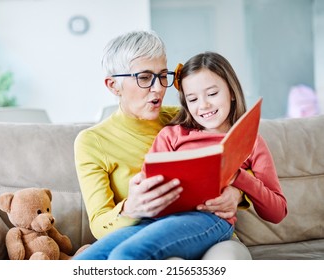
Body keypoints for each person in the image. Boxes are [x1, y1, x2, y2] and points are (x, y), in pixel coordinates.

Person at [73, 30, 252, 260]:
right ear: (113, 86)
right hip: (144, 233)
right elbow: (99, 224)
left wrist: (236, 194)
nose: (158, 88)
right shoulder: (92, 142)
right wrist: (131, 209)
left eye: (163, 75)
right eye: (145, 78)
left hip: (209, 233)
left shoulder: (187, 117)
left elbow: (241, 156)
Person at [146, 51, 288, 258]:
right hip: (171, 226)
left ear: (231, 92)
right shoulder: (171, 135)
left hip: (217, 231)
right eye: (192, 99)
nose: (203, 105)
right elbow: (150, 191)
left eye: (212, 94)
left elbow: (277, 213)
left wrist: (239, 178)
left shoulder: (251, 142)